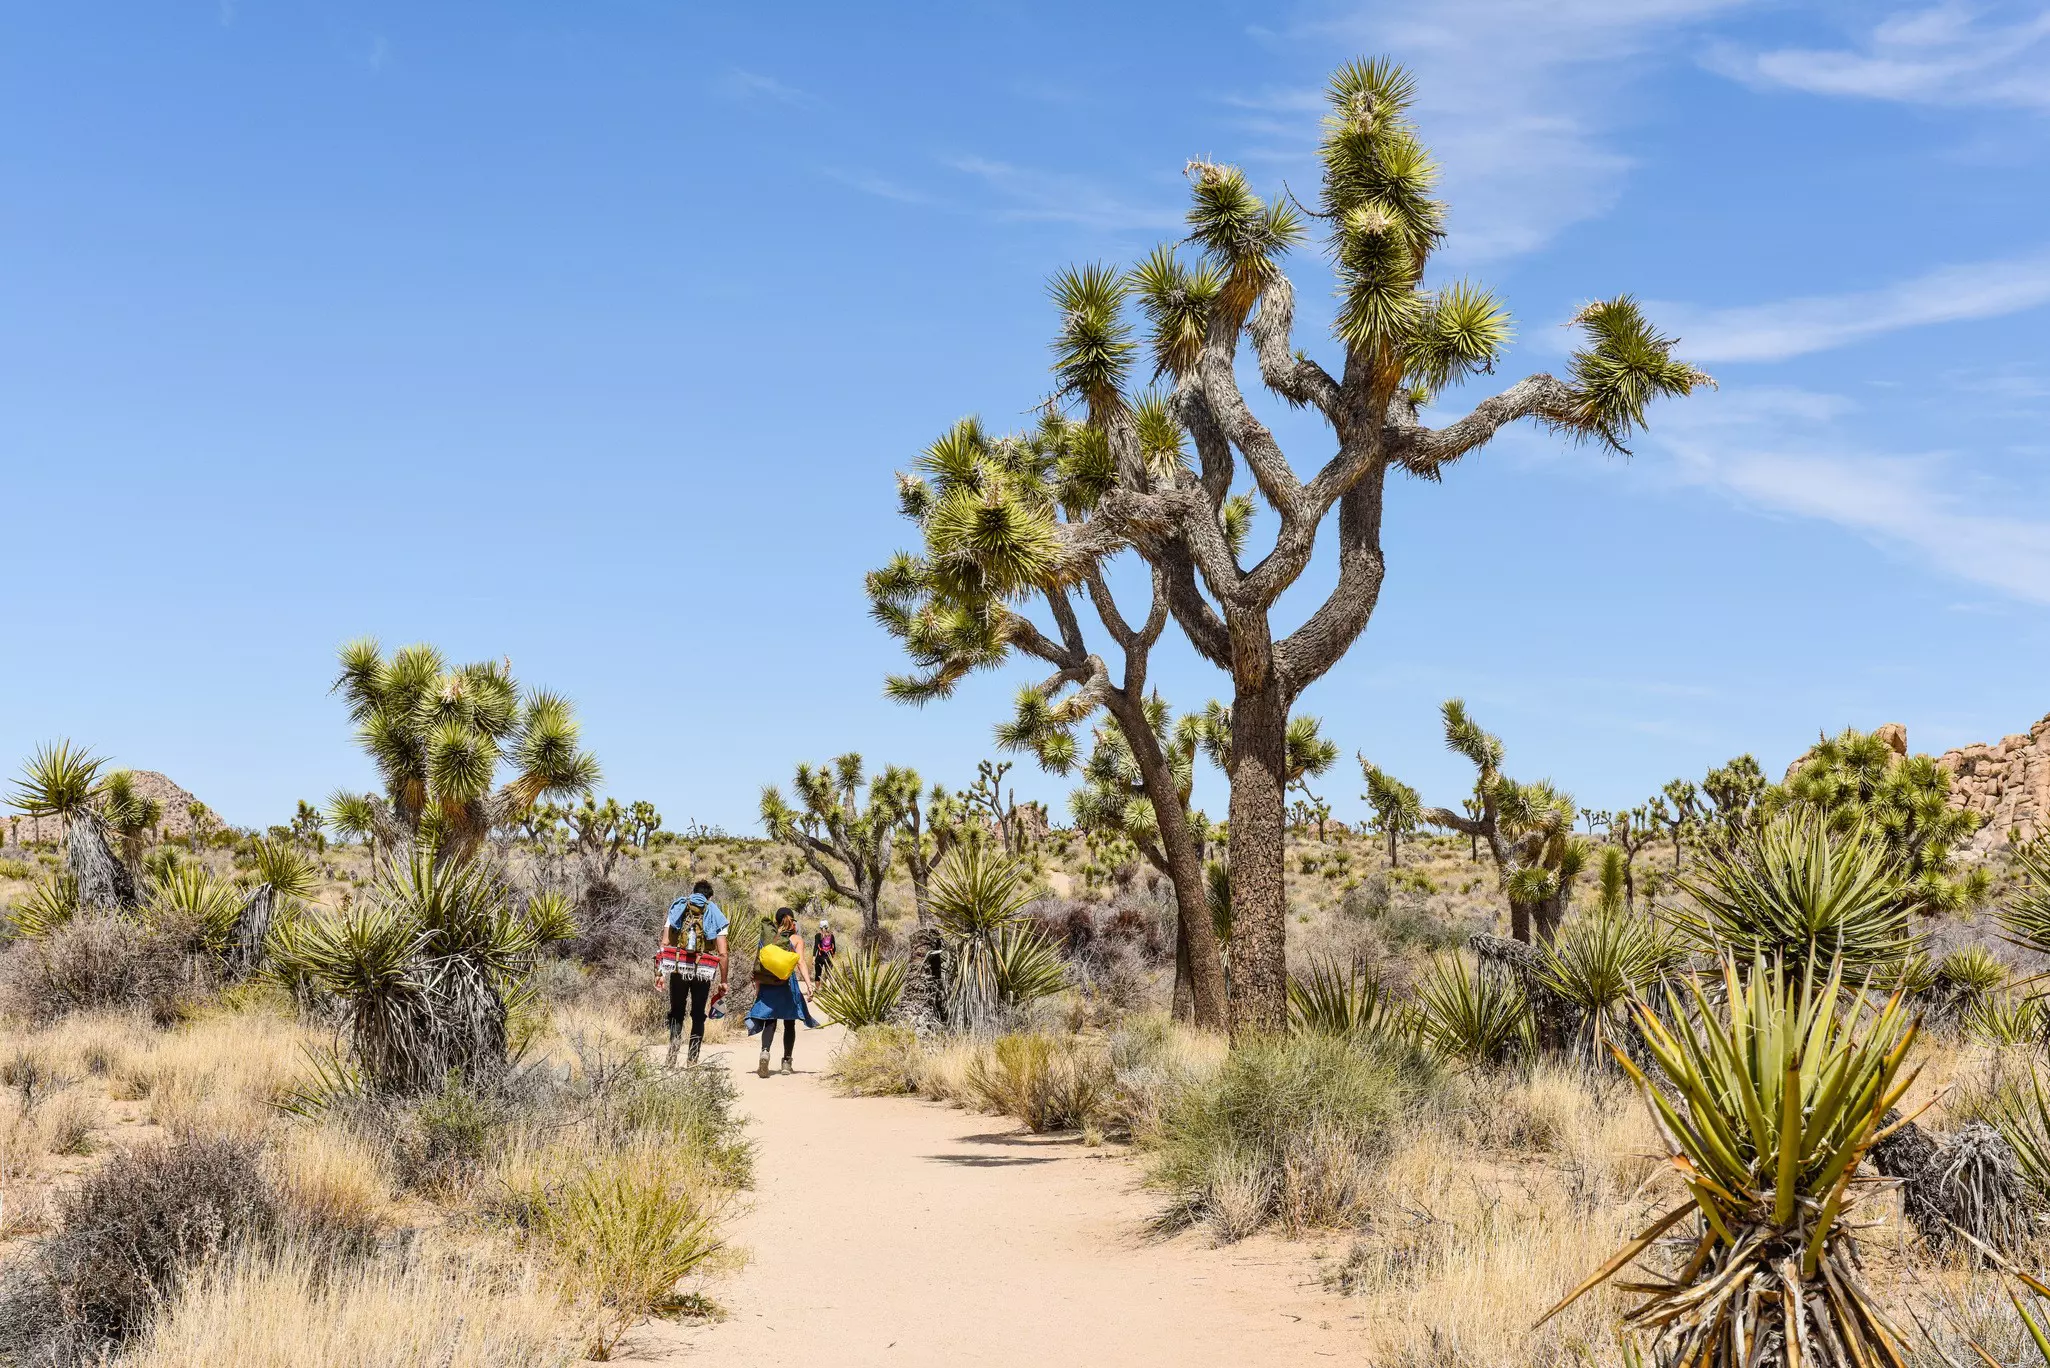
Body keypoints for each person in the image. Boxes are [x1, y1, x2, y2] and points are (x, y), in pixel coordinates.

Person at [662, 879, 729, 1067]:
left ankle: (671, 1057)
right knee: (698, 1014)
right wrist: (723, 981)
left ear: (693, 892)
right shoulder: (715, 912)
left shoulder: (679, 907)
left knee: (676, 1012)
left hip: (678, 967)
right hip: (703, 970)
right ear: (710, 896)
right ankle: (692, 1060)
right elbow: (723, 952)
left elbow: (665, 942)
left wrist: (659, 972)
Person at [746, 906, 818, 1077]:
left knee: (770, 1021)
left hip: (769, 983)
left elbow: (759, 963)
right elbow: (800, 963)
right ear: (792, 922)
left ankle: (765, 1052)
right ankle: (786, 1062)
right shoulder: (796, 939)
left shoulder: (768, 937)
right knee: (789, 1023)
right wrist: (809, 985)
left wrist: (757, 988)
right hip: (787, 983)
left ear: (776, 920)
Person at [812, 917, 838, 986]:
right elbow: (834, 947)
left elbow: (816, 947)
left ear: (820, 927)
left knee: (818, 974)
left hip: (819, 958)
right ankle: (828, 991)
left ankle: (817, 991)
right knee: (829, 974)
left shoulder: (817, 935)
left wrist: (813, 958)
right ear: (828, 927)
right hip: (828, 957)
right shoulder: (831, 936)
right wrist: (832, 957)